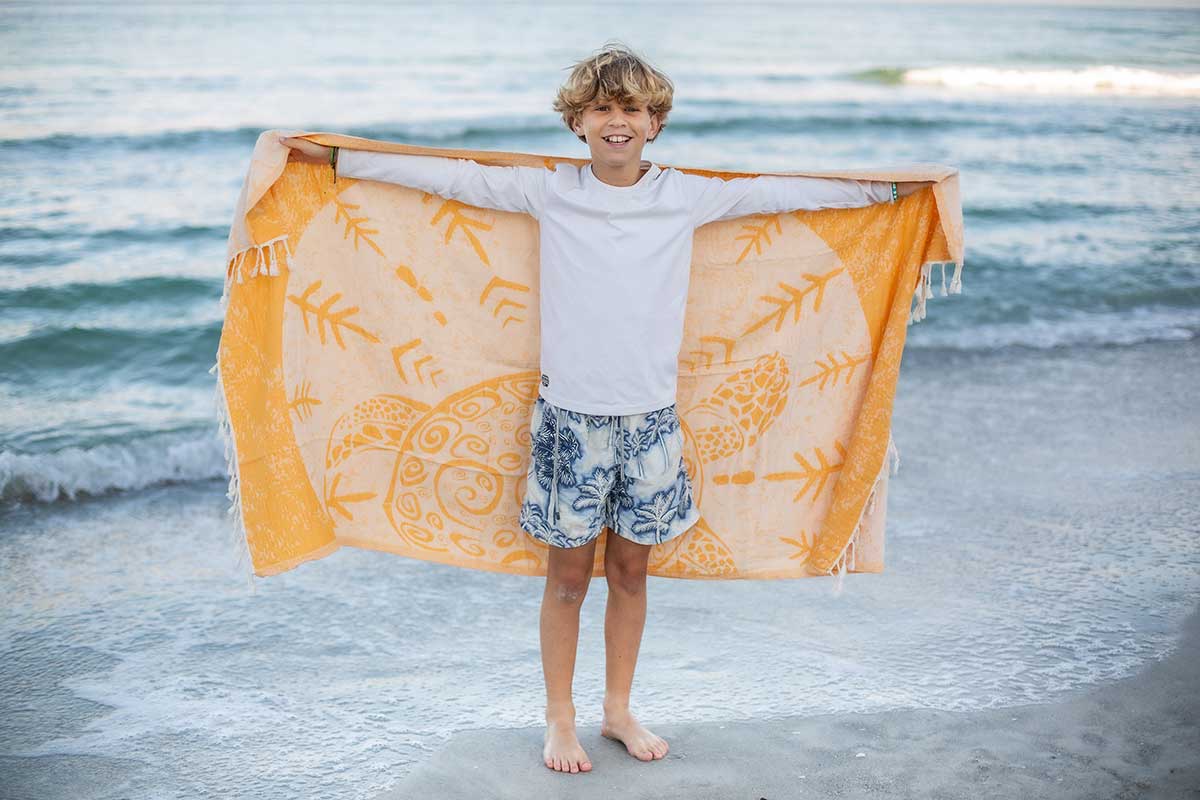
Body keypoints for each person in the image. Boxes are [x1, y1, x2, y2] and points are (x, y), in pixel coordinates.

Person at [280, 41, 930, 775]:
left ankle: (617, 709)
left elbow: (783, 192)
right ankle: (560, 720)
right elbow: (451, 179)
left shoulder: (686, 194)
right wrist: (338, 160)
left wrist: (891, 194)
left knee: (629, 575)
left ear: (655, 123)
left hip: (651, 423)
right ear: (577, 122)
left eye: (632, 109)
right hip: (570, 423)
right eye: (601, 109)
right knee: (565, 580)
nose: (616, 121)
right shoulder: (550, 190)